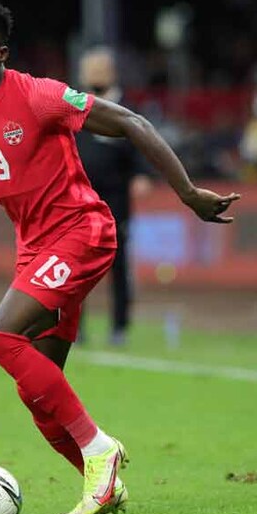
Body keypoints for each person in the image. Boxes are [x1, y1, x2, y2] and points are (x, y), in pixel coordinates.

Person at [0, 0, 240, 514]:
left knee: (0, 338)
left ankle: (100, 450)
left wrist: (188, 194)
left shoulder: (40, 95)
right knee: (38, 393)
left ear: (1, 54)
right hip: (36, 249)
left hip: (83, 232)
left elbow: (133, 122)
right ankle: (102, 485)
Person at [73, 46, 154, 347]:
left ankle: (119, 326)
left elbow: (145, 144)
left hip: (116, 197)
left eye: (100, 69)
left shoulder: (127, 108)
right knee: (76, 264)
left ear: (112, 73)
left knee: (116, 263)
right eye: (90, 69)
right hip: (79, 197)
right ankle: (75, 326)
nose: (95, 74)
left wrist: (142, 175)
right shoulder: (74, 106)